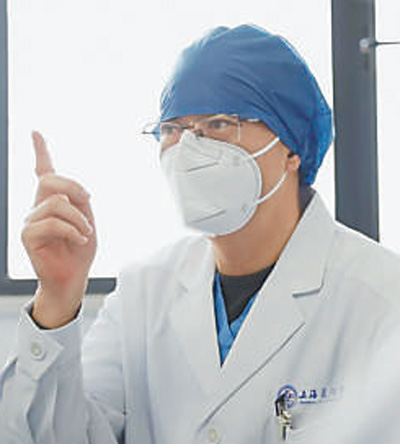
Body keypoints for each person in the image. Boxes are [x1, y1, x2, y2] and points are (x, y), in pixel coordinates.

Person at [0, 24, 400, 444]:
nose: (189, 147)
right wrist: (57, 298)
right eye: (172, 129)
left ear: (291, 147)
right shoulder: (143, 293)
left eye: (219, 123)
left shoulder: (382, 297)